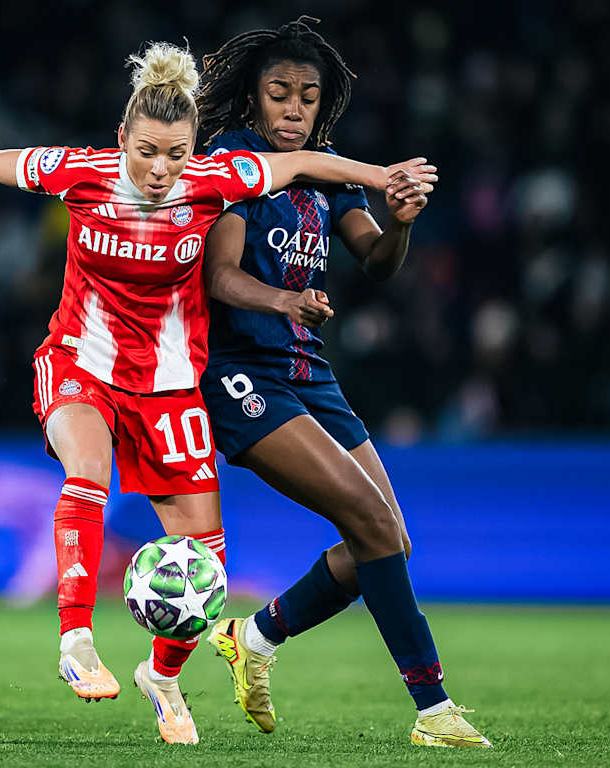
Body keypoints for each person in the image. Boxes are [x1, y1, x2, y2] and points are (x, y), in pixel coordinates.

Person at [0, 41, 435, 745]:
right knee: (88, 472)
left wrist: (385, 177)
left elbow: (309, 163)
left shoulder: (217, 179)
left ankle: (163, 678)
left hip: (168, 388)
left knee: (207, 563)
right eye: (149, 152)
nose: (162, 170)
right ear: (122, 141)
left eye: (177, 153)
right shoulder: (79, 172)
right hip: (83, 364)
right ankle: (76, 642)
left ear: (195, 149)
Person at [195, 18, 491, 749]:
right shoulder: (233, 163)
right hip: (241, 371)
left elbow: (378, 261)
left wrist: (400, 223)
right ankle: (433, 710)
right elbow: (220, 276)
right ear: (254, 101)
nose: (292, 110)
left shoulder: (325, 171)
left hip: (308, 371)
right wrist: (285, 300)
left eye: (306, 97)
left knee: (388, 538)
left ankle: (255, 637)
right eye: (278, 94)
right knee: (370, 521)